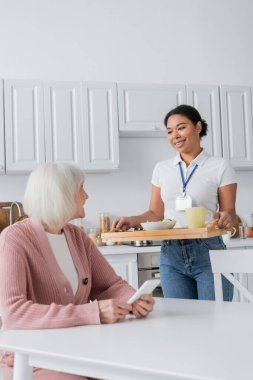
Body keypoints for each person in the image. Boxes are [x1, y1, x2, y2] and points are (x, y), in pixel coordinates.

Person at [0, 163, 154, 380]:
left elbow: (109, 285)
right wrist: (93, 313)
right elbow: (14, 312)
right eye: (81, 189)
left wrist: (132, 299)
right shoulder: (14, 239)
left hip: (78, 349)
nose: (87, 196)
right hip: (31, 358)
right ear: (62, 195)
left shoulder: (77, 236)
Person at [112, 104, 237, 301]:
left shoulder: (219, 166)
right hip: (171, 255)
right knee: (179, 325)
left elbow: (230, 211)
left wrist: (227, 217)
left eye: (181, 128)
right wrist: (132, 220)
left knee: (215, 322)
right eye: (170, 131)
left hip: (209, 252)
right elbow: (155, 213)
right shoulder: (162, 169)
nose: (175, 135)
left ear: (197, 127)